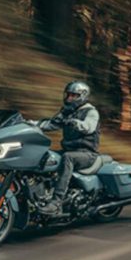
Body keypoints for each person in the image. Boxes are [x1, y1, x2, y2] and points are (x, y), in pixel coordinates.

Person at [36, 81, 100, 215]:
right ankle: (41, 196)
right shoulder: (67, 111)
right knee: (45, 156)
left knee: (67, 158)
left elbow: (89, 127)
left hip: (86, 153)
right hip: (69, 150)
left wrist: (75, 123)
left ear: (82, 96)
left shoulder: (91, 112)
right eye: (68, 95)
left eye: (73, 96)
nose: (69, 98)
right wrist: (30, 124)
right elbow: (51, 125)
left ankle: (56, 202)